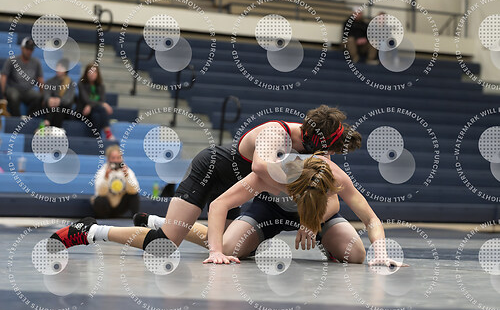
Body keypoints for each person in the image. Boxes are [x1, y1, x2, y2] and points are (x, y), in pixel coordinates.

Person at [48, 106, 367, 262]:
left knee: (235, 249)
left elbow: (326, 186)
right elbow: (260, 167)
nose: (326, 156)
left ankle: (160, 221)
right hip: (211, 171)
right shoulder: (279, 133)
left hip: (236, 183)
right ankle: (90, 231)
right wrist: (299, 192)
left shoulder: (314, 147)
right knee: (164, 245)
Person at [203, 154, 403, 267]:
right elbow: (219, 204)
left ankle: (328, 245)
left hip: (318, 215)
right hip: (270, 209)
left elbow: (370, 219)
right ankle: (251, 244)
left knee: (356, 255)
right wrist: (216, 251)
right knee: (228, 249)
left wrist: (381, 254)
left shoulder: (335, 177)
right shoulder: (272, 173)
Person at [91, 145, 140, 218]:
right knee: (99, 200)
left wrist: (127, 176)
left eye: (118, 158)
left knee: (134, 196)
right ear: (108, 159)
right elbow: (100, 193)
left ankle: (136, 218)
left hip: (120, 206)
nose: (116, 161)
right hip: (106, 207)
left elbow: (134, 191)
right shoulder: (102, 171)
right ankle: (103, 220)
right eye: (113, 158)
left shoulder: (127, 171)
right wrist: (106, 177)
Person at [1, 37, 43, 116]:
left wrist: (42, 95)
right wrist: (3, 95)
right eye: (27, 49)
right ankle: (16, 119)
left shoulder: (36, 62)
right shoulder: (12, 60)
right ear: (22, 48)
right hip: (13, 88)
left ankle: (29, 118)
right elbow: (3, 77)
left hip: (28, 90)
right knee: (14, 96)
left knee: (38, 97)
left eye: (31, 50)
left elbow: (40, 79)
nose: (29, 52)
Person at [77, 64, 115, 140]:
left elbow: (102, 100)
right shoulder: (81, 84)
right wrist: (102, 104)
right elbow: (86, 100)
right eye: (90, 72)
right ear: (86, 73)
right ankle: (108, 133)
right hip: (84, 110)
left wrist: (91, 105)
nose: (92, 74)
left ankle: (96, 139)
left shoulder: (101, 86)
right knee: (102, 108)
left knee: (96, 116)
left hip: (95, 111)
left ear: (97, 74)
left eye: (94, 72)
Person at [42, 58, 76, 128]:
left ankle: (47, 122)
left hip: (63, 109)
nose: (58, 69)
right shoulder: (50, 81)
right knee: (51, 106)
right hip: (50, 107)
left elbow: (68, 99)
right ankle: (50, 126)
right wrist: (49, 100)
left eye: (61, 67)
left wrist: (59, 101)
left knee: (59, 109)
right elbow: (46, 94)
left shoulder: (70, 83)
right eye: (57, 67)